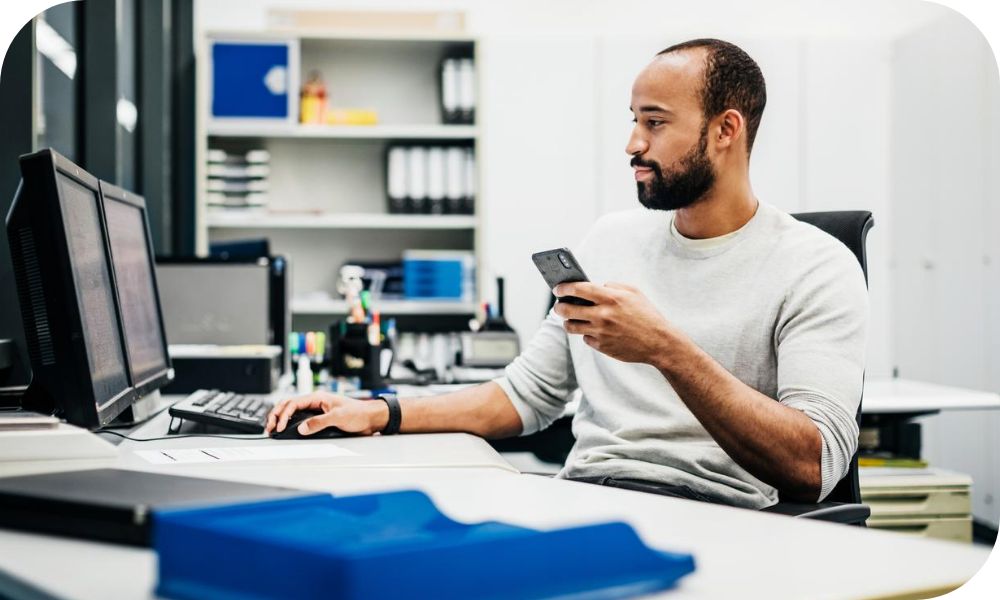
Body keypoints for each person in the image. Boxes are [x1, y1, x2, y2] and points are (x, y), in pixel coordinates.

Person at [265, 38, 868, 509]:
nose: (633, 143)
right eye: (633, 119)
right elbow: (524, 397)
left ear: (725, 130)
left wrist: (666, 350)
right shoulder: (611, 239)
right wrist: (377, 411)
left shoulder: (815, 264)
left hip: (720, 515)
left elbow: (813, 468)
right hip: (584, 495)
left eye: (654, 122)